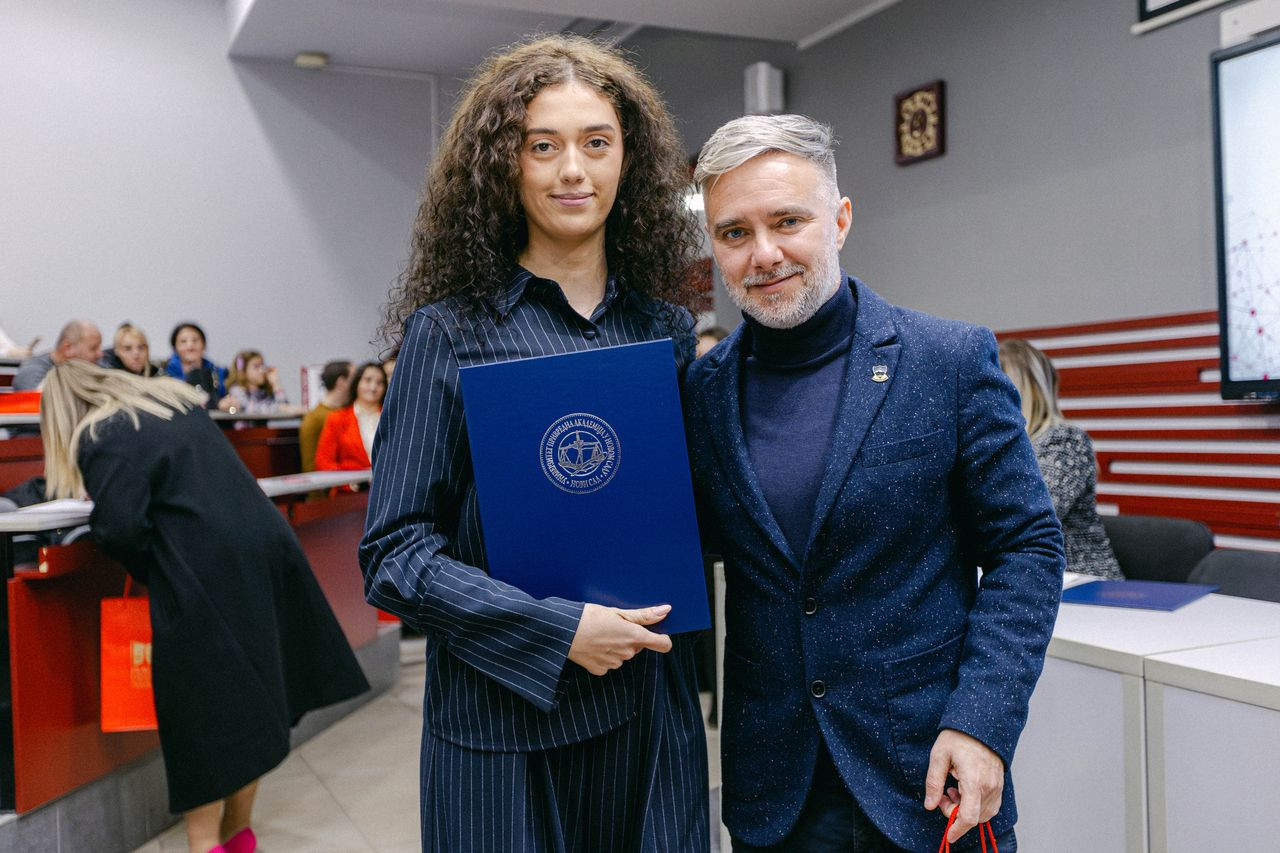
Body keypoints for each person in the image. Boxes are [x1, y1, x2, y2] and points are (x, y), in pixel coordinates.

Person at [358, 34, 708, 852]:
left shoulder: (663, 330)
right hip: (502, 728)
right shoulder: (451, 332)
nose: (572, 171)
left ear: (629, 161)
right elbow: (395, 553)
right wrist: (556, 630)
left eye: (597, 143)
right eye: (542, 146)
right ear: (503, 165)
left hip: (648, 713)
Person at [684, 114, 1065, 852]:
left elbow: (1026, 546)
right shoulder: (702, 391)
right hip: (775, 795)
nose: (764, 253)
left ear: (840, 219)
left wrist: (982, 721)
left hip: (930, 774)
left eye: (787, 221)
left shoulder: (947, 360)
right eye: (734, 233)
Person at [40, 360, 369, 853]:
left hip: (203, 571)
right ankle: (238, 835)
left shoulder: (101, 433)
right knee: (255, 699)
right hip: (264, 550)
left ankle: (204, 843)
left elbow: (119, 528)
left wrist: (152, 567)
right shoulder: (172, 403)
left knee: (201, 716)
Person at [999, 338, 1122, 580]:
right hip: (1026, 580)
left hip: (1081, 582)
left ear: (1031, 391)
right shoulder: (995, 447)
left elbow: (1030, 517)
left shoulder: (1065, 441)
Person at [314, 361, 384, 473]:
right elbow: (323, 463)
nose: (373, 387)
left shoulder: (391, 419)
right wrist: (350, 479)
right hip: (350, 483)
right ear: (356, 383)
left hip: (386, 482)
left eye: (380, 382)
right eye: (368, 380)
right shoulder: (337, 418)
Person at [12, 319, 102, 390]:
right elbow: (37, 401)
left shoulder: (97, 367)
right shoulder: (33, 372)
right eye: (93, 348)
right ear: (68, 348)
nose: (100, 354)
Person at [299, 360, 353, 473]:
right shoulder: (314, 418)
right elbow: (310, 466)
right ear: (341, 382)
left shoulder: (350, 412)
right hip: (329, 480)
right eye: (354, 379)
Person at [165, 322, 228, 405]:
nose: (190, 346)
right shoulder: (165, 375)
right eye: (183, 341)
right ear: (175, 347)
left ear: (204, 345)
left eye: (195, 340)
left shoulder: (219, 373)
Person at [224, 349, 288, 414]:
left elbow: (285, 407)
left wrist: (276, 384)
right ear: (243, 372)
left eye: (263, 366)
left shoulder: (263, 392)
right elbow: (246, 407)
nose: (262, 370)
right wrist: (279, 408)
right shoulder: (236, 390)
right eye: (256, 367)